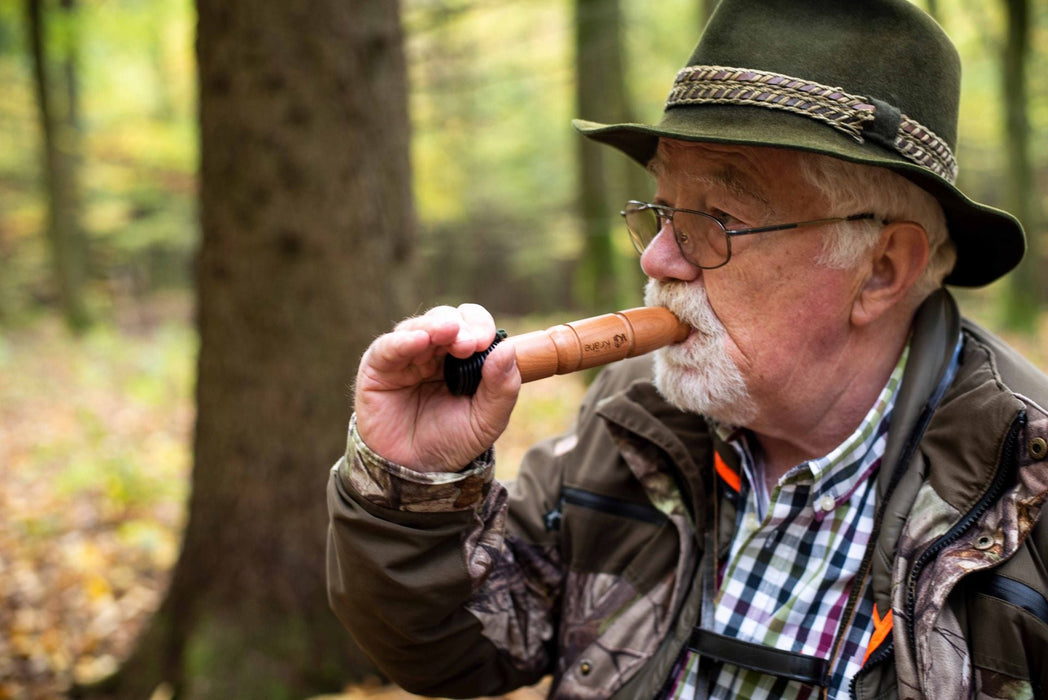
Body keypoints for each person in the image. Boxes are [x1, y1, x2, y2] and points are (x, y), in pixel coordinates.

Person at [326, 0, 1048, 698]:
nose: (659, 260)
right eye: (663, 212)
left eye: (719, 219)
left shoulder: (1024, 489)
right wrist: (415, 486)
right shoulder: (635, 407)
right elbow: (456, 651)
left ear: (883, 269)